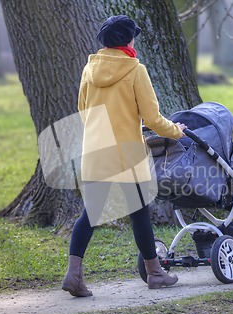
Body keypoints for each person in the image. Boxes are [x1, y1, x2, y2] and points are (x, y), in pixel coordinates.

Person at [62, 15, 186, 297]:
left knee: (90, 214)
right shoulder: (135, 69)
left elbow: (83, 110)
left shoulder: (88, 69)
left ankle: (73, 275)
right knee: (140, 213)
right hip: (128, 154)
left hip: (94, 152)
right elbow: (153, 119)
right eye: (133, 37)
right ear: (127, 41)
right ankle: (155, 273)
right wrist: (177, 131)